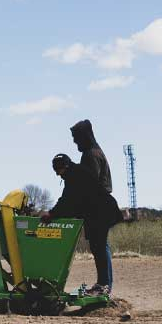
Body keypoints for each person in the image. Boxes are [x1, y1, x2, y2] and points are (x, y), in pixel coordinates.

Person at [40, 119, 120, 295]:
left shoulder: (91, 155)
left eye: (76, 138)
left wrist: (53, 214)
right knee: (100, 245)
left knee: (99, 246)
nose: (75, 142)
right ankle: (104, 285)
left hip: (99, 208)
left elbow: (81, 190)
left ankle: (104, 285)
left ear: (84, 137)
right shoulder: (95, 152)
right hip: (101, 207)